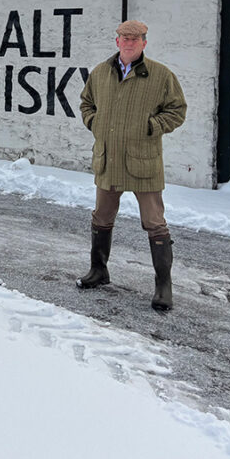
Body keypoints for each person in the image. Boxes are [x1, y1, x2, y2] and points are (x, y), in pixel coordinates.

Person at [77, 20, 187, 311]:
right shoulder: (100, 73)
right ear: (117, 42)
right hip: (108, 159)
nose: (128, 43)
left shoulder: (160, 75)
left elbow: (178, 110)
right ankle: (98, 271)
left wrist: (153, 126)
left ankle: (163, 286)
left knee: (155, 223)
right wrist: (94, 122)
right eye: (124, 38)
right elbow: (86, 103)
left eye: (135, 39)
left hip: (143, 161)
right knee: (101, 216)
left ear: (144, 43)